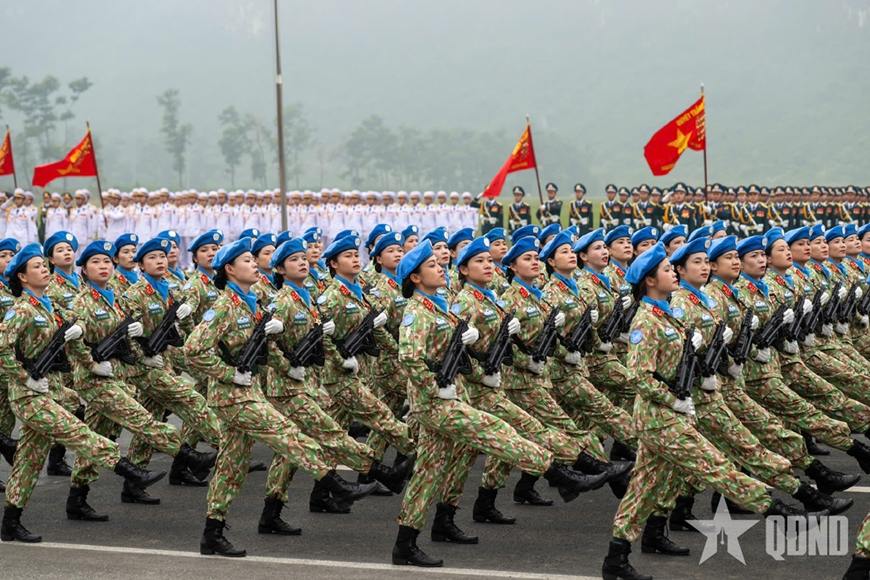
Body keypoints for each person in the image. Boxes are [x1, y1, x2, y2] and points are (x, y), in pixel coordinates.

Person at [601, 242, 824, 580]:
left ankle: (615, 560)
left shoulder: (666, 313)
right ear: (649, 281)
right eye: (665, 270)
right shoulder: (646, 320)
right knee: (714, 465)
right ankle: (778, 511)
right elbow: (639, 376)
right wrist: (672, 399)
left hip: (668, 417)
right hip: (661, 420)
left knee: (643, 489)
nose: (672, 273)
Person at [392, 240, 608, 568]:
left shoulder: (437, 305)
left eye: (439, 264)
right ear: (416, 278)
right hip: (436, 403)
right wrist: (437, 387)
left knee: (427, 472)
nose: (440, 269)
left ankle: (405, 544)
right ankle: (558, 474)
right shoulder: (417, 312)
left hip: (447, 397)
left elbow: (455, 356)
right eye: (433, 266)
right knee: (496, 428)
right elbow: (408, 357)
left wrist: (468, 368)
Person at [184, 238, 379, 557]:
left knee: (231, 466)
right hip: (232, 397)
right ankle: (335, 484)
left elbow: (265, 347)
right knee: (286, 433)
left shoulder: (252, 303)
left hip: (249, 391)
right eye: (247, 260)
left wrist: (286, 364)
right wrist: (227, 373)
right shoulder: (223, 306)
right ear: (230, 269)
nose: (254, 264)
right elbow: (193, 350)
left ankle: (212, 534)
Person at [0, 244, 165, 543]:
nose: (43, 270)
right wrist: (25, 377)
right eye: (36, 266)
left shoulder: (49, 306)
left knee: (29, 459)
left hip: (47, 390)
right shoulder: (21, 310)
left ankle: (10, 522)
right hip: (28, 395)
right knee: (77, 431)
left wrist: (91, 363)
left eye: (43, 265)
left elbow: (76, 335)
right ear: (23, 277)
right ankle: (127, 469)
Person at [65, 240, 217, 520]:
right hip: (95, 380)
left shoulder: (115, 298)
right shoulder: (81, 302)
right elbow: (70, 342)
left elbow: (127, 338)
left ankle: (78, 498)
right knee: (141, 418)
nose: (103, 267)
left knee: (95, 438)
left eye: (106, 262)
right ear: (83, 271)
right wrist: (91, 364)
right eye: (95, 263)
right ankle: (186, 455)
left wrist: (140, 352)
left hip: (120, 375)